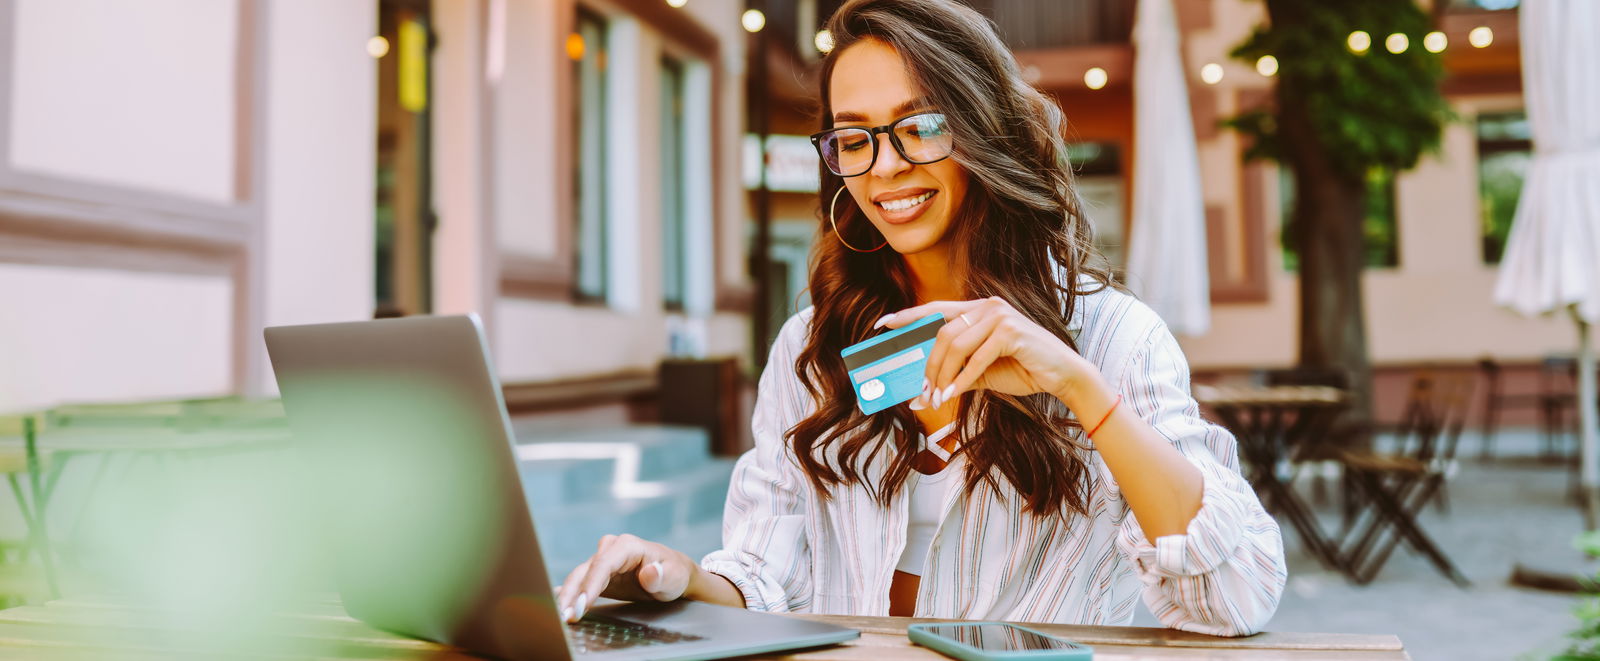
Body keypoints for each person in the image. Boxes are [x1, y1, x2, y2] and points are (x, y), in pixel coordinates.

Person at [555, 0, 1285, 636]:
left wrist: (1081, 390)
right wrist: (676, 577)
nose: (884, 167)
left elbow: (1234, 597)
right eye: (854, 137)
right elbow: (762, 578)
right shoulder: (812, 348)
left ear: (983, 130)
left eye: (920, 126)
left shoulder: (1115, 338)